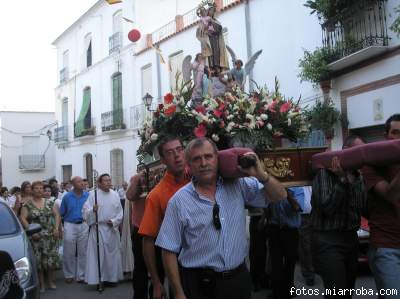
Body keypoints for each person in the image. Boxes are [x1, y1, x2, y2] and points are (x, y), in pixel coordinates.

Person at [156, 137, 287, 299]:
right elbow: (168, 249)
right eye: (197, 159)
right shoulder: (179, 201)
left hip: (238, 281)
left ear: (218, 159)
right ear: (188, 164)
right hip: (199, 285)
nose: (203, 163)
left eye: (208, 156)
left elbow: (279, 196)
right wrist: (178, 292)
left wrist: (262, 175)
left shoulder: (239, 185)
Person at [311, 136, 367, 299]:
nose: (363, 155)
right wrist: (342, 181)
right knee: (337, 294)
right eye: (359, 151)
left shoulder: (358, 176)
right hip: (328, 241)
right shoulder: (324, 172)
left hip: (350, 239)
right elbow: (327, 208)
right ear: (346, 151)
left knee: (347, 292)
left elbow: (361, 207)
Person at [139, 136, 190, 299]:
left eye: (179, 150)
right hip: (179, 265)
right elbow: (148, 241)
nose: (176, 155)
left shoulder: (199, 179)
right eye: (170, 152)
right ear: (163, 160)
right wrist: (156, 281)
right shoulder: (156, 195)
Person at [362, 114, 400, 298]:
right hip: (387, 247)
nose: (398, 138)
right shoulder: (372, 164)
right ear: (386, 135)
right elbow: (390, 194)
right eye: (395, 133)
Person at [20, 181, 61, 293]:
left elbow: (57, 215)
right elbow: (22, 218)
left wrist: (56, 228)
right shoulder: (27, 205)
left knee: (50, 260)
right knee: (39, 261)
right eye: (36, 188)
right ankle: (41, 284)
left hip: (49, 235)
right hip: (36, 236)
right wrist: (31, 231)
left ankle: (51, 281)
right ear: (32, 190)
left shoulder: (49, 202)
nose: (39, 190)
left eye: (41, 188)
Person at [83, 173, 123, 287]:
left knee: (111, 256)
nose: (108, 182)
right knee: (98, 255)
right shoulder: (92, 195)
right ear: (99, 183)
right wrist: (92, 210)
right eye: (105, 180)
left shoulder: (115, 195)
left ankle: (111, 278)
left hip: (111, 229)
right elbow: (84, 213)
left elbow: (120, 212)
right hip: (98, 229)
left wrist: (114, 221)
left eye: (109, 180)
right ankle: (99, 279)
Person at [266, 187, 302, 299]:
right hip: (274, 229)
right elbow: (267, 206)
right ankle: (277, 292)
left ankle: (289, 291)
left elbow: (297, 207)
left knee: (289, 264)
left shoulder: (297, 188)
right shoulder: (271, 186)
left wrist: (286, 192)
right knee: (276, 264)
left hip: (290, 231)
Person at [59, 176, 89, 283]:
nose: (82, 183)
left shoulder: (88, 195)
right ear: (73, 184)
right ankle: (69, 275)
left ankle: (82, 275)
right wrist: (59, 227)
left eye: (82, 181)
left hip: (84, 224)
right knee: (69, 250)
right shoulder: (67, 197)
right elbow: (62, 212)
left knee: (83, 250)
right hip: (69, 224)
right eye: (79, 181)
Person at [127, 170, 149, 299]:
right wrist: (137, 179)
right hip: (140, 227)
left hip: (160, 227)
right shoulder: (137, 178)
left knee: (160, 269)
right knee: (140, 267)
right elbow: (130, 196)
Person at [297, 186, 315, 286]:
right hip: (302, 215)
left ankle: (311, 271)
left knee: (311, 245)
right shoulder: (297, 181)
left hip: (313, 215)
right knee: (305, 246)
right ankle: (309, 274)